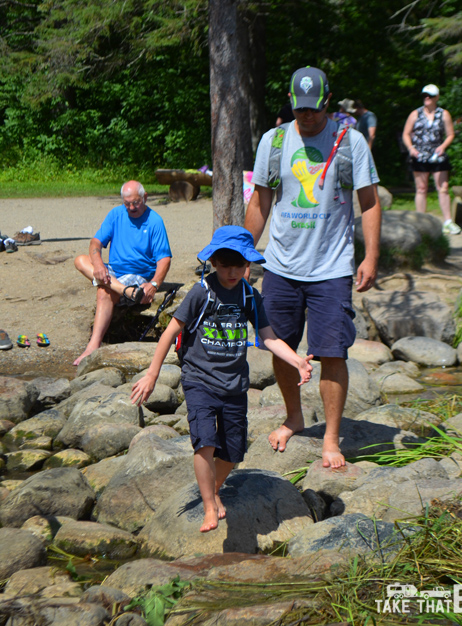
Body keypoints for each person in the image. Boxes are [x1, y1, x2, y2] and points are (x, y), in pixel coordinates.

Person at [130, 226, 313, 533]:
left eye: (239, 265)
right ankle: (209, 505)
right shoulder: (202, 292)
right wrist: (152, 374)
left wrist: (296, 360)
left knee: (233, 449)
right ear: (214, 262)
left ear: (247, 266)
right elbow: (170, 332)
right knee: (204, 442)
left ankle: (214, 488)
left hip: (234, 384)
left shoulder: (249, 295)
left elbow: (268, 337)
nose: (232, 271)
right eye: (225, 264)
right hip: (199, 380)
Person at [244, 66, 381, 470]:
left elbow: (370, 202)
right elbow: (260, 202)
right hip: (281, 267)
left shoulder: (351, 142)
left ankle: (331, 439)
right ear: (291, 102)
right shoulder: (274, 141)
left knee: (332, 353)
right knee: (281, 349)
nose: (307, 116)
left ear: (327, 101)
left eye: (315, 109)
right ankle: (294, 416)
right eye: (300, 109)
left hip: (332, 268)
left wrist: (370, 257)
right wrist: (241, 252)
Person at [73, 181, 172, 366]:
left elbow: (164, 259)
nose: (132, 207)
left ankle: (93, 345)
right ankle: (124, 290)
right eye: (127, 203)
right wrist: (98, 264)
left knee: (104, 291)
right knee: (80, 260)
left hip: (138, 274)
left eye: (136, 202)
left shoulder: (155, 221)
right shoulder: (116, 214)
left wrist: (155, 284)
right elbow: (95, 242)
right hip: (116, 273)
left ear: (145, 197)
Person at [402, 84, 460, 235]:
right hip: (419, 156)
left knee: (443, 188)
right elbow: (406, 134)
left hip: (438, 156)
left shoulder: (444, 114)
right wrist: (411, 149)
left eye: (430, 95)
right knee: (421, 189)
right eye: (424, 95)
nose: (427, 98)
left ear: (437, 97)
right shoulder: (415, 114)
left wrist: (443, 147)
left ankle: (448, 221)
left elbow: (450, 134)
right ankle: (420, 221)